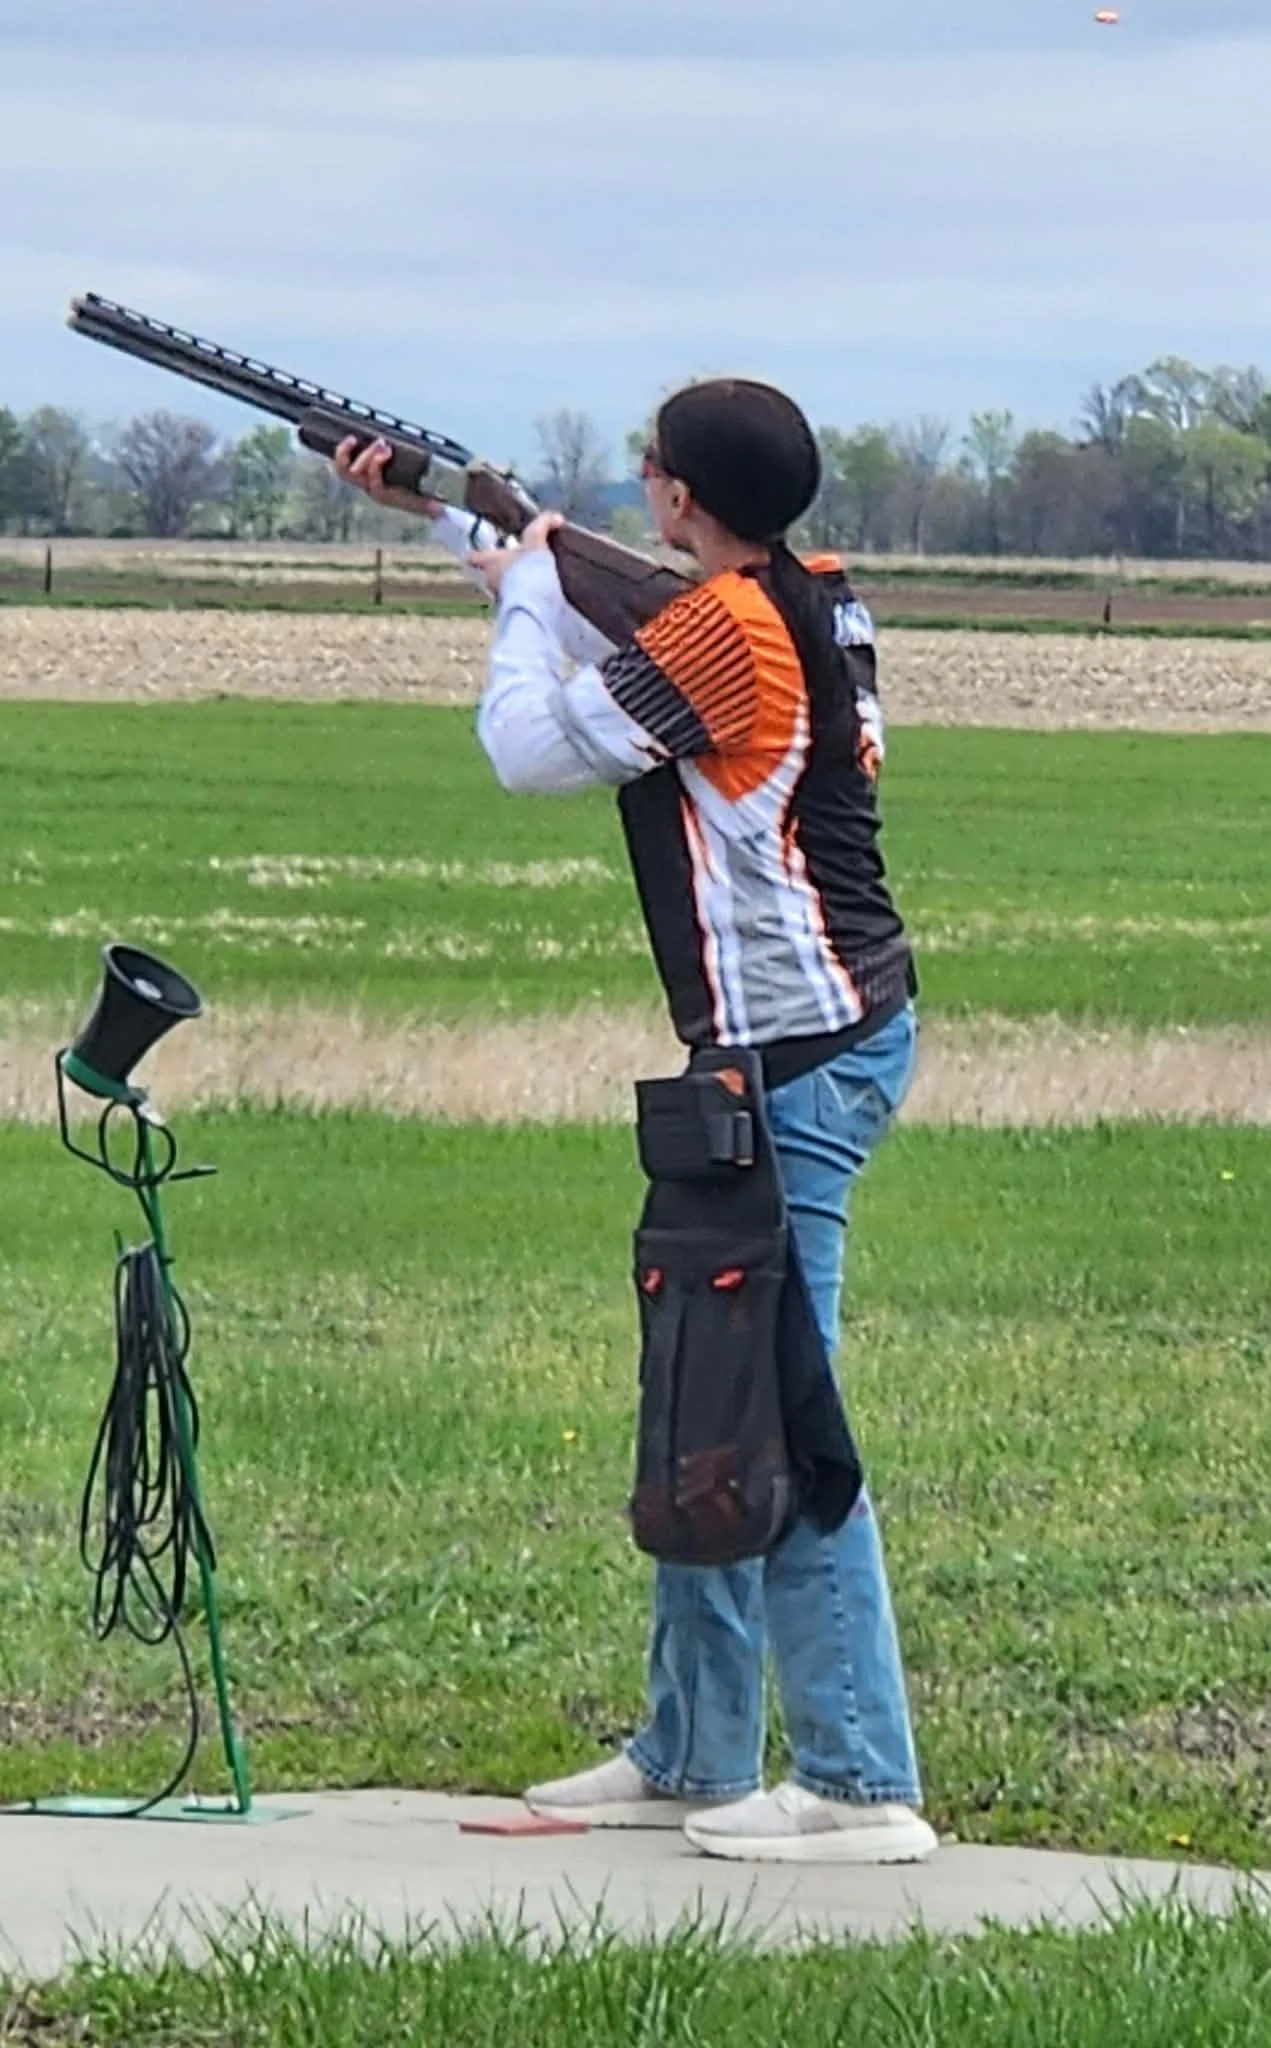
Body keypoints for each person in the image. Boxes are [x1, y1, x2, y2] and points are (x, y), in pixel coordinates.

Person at [333, 379, 934, 1866]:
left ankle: (863, 1783)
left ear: (676, 500)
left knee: (784, 1420)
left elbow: (533, 747)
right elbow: (620, 633)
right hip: (789, 1047)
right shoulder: (802, 597)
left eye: (648, 476)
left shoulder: (727, 630)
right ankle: (696, 1749)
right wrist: (481, 541)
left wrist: (527, 586)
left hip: (795, 1059)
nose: (637, 494)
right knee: (709, 1396)